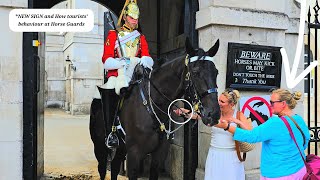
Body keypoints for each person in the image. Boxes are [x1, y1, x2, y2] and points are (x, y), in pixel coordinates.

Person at [94, 0, 154, 148]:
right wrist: (121, 62)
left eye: (137, 18)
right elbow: (106, 60)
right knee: (111, 93)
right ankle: (111, 132)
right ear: (125, 17)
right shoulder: (113, 35)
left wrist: (137, 60)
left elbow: (148, 58)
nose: (135, 21)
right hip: (117, 74)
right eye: (132, 18)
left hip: (135, 75)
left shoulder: (140, 37)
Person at [219, 88, 311, 179]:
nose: (269, 105)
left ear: (283, 104)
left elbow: (251, 136)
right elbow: (305, 141)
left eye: (272, 102)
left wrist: (227, 127)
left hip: (277, 174)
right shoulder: (299, 119)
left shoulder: (274, 123)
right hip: (299, 170)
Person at [175, 89, 252, 180]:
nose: (219, 103)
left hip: (232, 157)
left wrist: (236, 122)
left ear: (231, 105)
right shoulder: (215, 112)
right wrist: (184, 112)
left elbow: (249, 133)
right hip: (214, 155)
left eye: (222, 101)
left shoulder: (239, 115)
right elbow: (197, 116)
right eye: (218, 100)